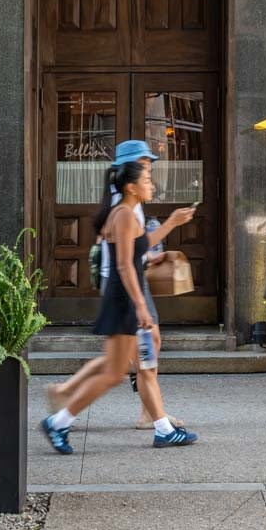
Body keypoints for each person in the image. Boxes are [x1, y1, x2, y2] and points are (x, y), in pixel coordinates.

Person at [42, 159, 198, 452]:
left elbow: (143, 244)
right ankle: (59, 422)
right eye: (147, 178)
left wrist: (173, 222)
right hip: (124, 299)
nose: (151, 184)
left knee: (136, 366)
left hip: (123, 298)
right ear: (131, 187)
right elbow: (126, 266)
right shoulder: (124, 215)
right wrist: (141, 306)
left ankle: (162, 428)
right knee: (118, 372)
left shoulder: (126, 214)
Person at [99, 140, 187, 430]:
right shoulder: (124, 206)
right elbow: (124, 260)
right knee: (136, 351)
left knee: (134, 352)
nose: (149, 167)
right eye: (144, 162)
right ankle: (152, 416)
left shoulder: (129, 202)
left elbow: (133, 248)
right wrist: (139, 304)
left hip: (128, 279)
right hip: (125, 283)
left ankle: (151, 413)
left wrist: (152, 249)